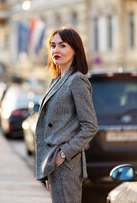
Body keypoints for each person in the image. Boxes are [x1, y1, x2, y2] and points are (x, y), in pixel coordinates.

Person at [35, 26, 98, 203]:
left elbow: (90, 126)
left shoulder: (77, 80)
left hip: (66, 164)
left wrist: (62, 155)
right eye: (53, 45)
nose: (56, 50)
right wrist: (49, 166)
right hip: (54, 164)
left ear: (75, 50)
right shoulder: (56, 81)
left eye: (62, 45)